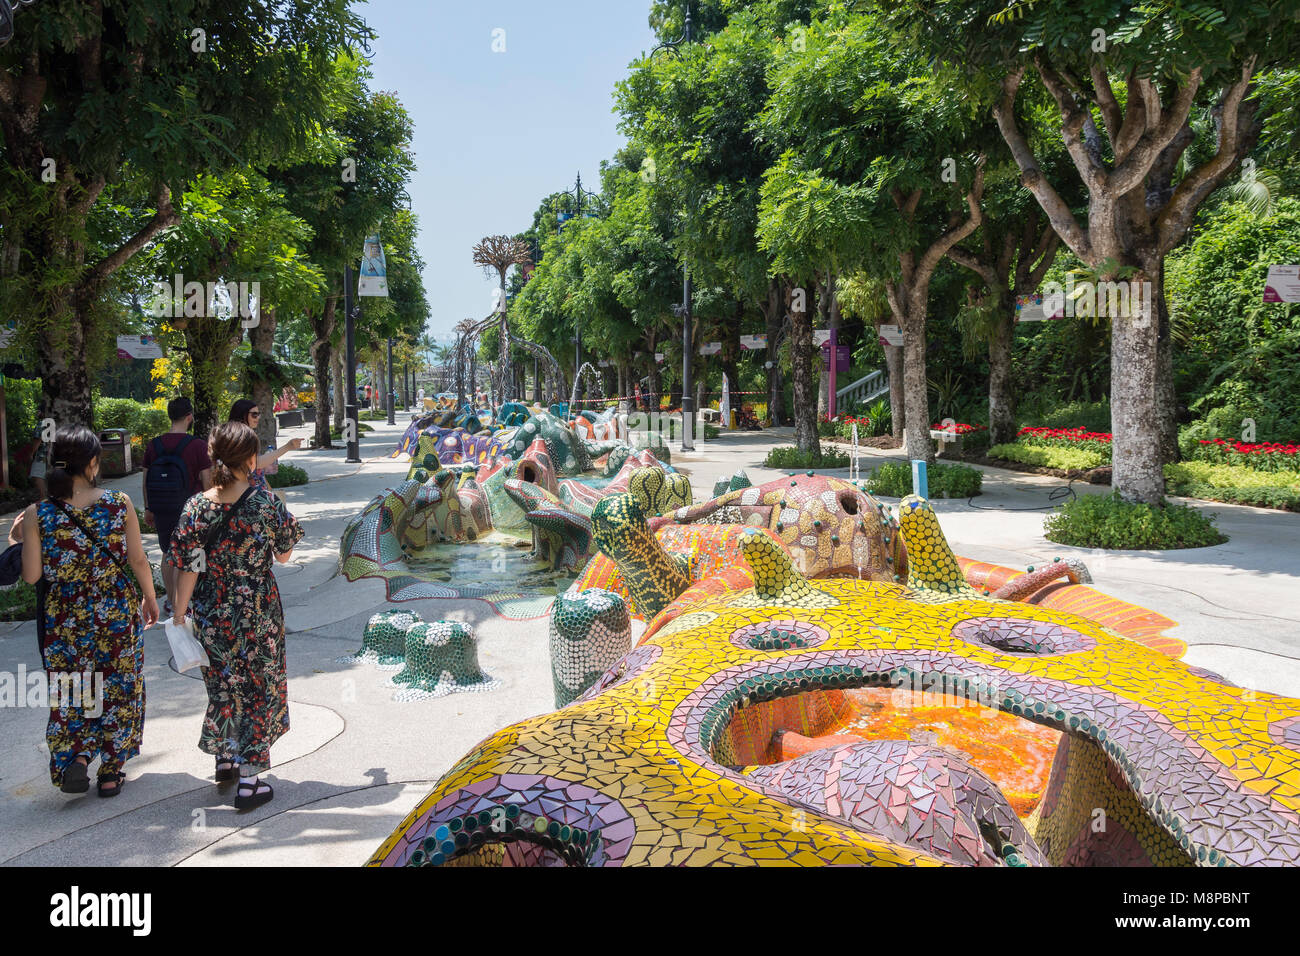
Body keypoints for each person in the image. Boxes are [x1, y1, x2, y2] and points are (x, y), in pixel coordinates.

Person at [9, 425, 159, 797]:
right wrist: (151, 598)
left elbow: (31, 576)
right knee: (120, 687)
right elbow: (138, 560)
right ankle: (110, 772)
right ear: (92, 463)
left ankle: (76, 758)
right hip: (115, 613)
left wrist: (24, 534)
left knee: (73, 690)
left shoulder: (37, 513)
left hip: (65, 616)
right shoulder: (117, 503)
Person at [168, 422, 304, 811]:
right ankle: (250, 781)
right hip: (258, 610)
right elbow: (283, 555)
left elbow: (188, 566)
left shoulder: (196, 505)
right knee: (258, 689)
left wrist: (179, 615)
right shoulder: (265, 502)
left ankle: (226, 758)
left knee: (223, 686)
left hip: (212, 610)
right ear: (250, 459)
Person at [142, 396, 213, 616]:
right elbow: (207, 481)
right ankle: (183, 603)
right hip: (190, 508)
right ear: (189, 416)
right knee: (186, 554)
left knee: (167, 553)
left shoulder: (154, 444)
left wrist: (148, 507)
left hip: (161, 506)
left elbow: (145, 479)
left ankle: (172, 603)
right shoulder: (197, 446)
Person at [228, 399, 302, 496]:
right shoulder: (241, 436)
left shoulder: (233, 434)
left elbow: (257, 470)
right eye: (254, 414)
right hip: (249, 495)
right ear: (242, 414)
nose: (258, 417)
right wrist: (287, 447)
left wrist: (269, 490)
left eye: (258, 414)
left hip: (249, 492)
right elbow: (257, 463)